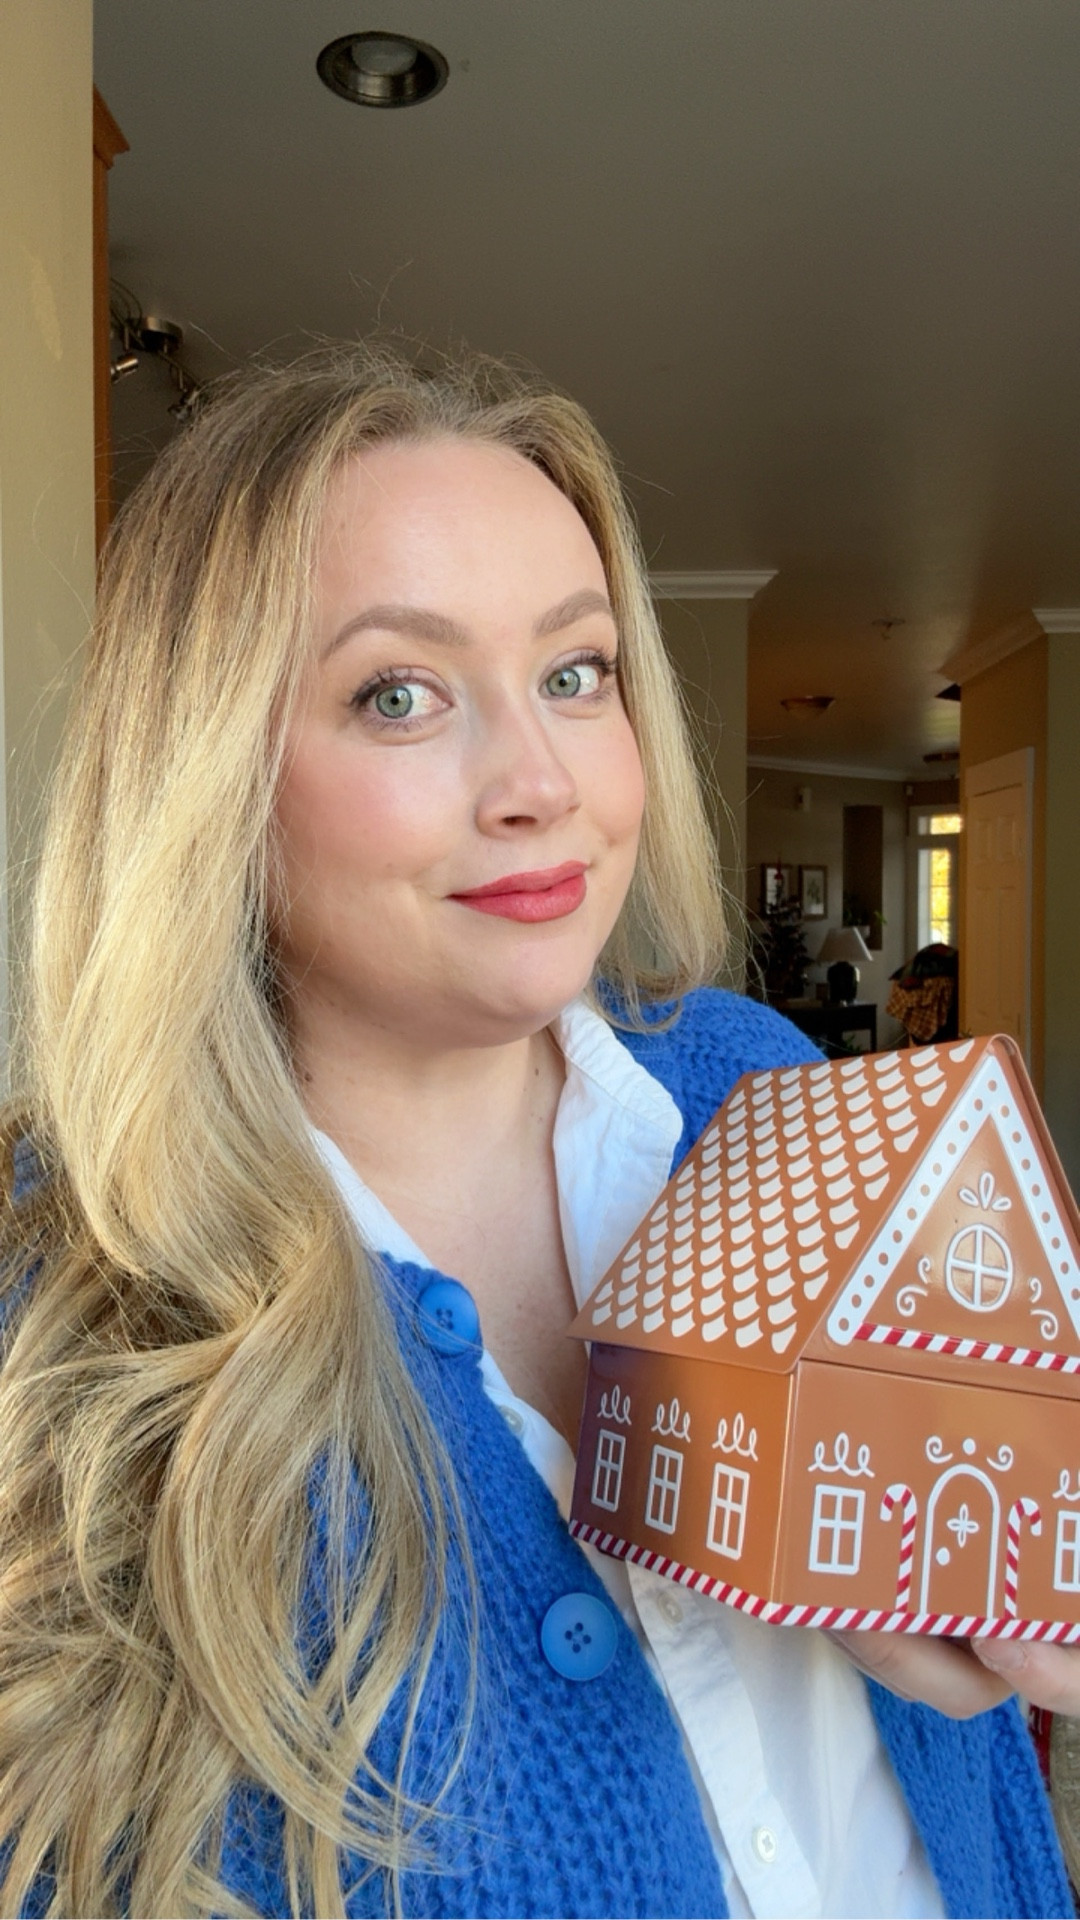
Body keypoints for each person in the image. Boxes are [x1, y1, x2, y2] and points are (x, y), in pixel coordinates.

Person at [0, 343, 1072, 1920]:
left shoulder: (754, 1086)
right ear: (209, 774)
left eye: (576, 673)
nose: (541, 780)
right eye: (399, 694)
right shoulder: (61, 1304)